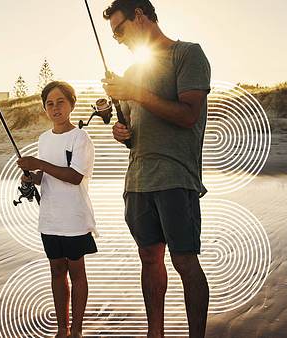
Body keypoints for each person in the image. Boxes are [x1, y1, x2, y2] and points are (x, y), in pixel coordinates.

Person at [100, 1, 211, 337]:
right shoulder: (133, 73)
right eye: (113, 35)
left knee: (184, 261)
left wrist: (135, 92)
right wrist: (122, 133)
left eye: (120, 29)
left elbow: (188, 114)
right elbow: (136, 133)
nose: (118, 39)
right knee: (149, 257)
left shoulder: (188, 54)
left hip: (176, 176)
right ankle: (155, 333)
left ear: (139, 15)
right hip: (137, 180)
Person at [16, 81, 97, 338]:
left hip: (74, 218)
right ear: (45, 109)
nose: (55, 108)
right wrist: (32, 178)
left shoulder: (80, 137)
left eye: (60, 102)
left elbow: (74, 176)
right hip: (49, 219)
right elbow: (47, 176)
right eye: (49, 104)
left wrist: (38, 163)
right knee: (56, 271)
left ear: (71, 104)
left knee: (77, 272)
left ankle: (77, 330)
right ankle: (62, 329)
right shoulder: (43, 139)